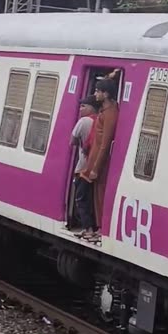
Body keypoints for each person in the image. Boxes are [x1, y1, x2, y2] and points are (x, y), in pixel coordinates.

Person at [79, 71, 120, 241]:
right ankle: (98, 227)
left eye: (98, 91)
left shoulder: (110, 113)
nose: (95, 94)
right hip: (94, 160)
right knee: (96, 194)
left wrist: (96, 166)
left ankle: (102, 229)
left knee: (101, 195)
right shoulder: (105, 110)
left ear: (106, 94)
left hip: (99, 162)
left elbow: (105, 143)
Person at [67, 99, 97, 233]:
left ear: (91, 108)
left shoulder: (83, 121)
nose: (80, 109)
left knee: (81, 198)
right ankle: (94, 226)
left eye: (83, 106)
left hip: (83, 167)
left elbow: (72, 141)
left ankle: (87, 228)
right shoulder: (99, 122)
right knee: (91, 198)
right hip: (96, 168)